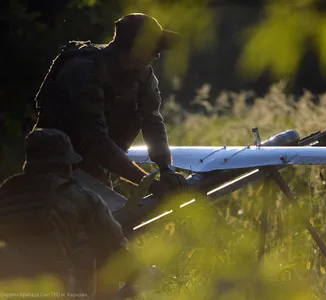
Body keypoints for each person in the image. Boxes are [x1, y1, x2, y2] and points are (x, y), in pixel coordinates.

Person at [32, 13, 188, 195]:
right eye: (154, 49)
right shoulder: (84, 71)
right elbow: (95, 140)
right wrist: (149, 184)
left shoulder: (142, 73)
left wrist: (166, 169)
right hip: (54, 171)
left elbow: (151, 119)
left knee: (106, 219)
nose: (158, 56)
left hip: (94, 169)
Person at [0, 128, 136, 299]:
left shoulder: (5, 191)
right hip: (58, 289)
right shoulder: (78, 195)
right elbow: (116, 248)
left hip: (8, 286)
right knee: (87, 248)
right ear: (65, 165)